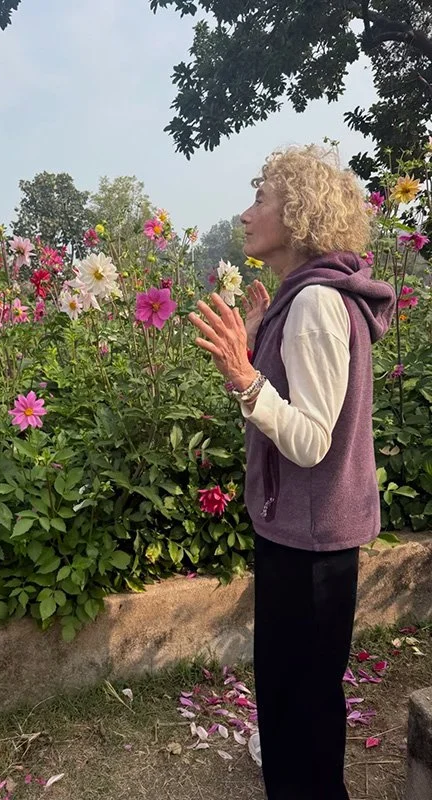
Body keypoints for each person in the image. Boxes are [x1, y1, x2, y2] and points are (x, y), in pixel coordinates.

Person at [188, 145, 395, 800]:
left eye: (260, 198)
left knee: (297, 707)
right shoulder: (305, 300)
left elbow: (309, 440)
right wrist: (254, 357)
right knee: (299, 701)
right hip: (311, 538)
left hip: (309, 548)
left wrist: (247, 378)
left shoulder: (312, 306)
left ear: (298, 215)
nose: (246, 214)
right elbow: (292, 410)